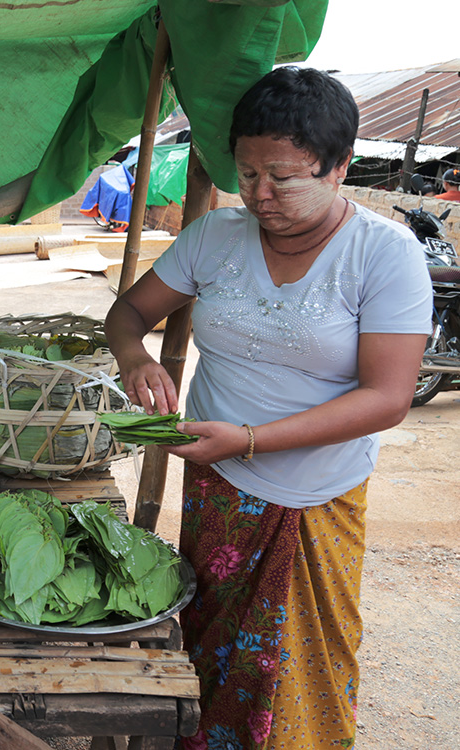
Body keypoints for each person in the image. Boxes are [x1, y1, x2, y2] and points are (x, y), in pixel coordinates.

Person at [104, 67, 431, 749]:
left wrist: (248, 438)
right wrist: (134, 358)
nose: (260, 194)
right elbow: (128, 312)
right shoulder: (213, 236)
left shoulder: (381, 253)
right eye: (247, 174)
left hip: (314, 494)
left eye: (282, 177)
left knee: (293, 663)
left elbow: (387, 397)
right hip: (217, 479)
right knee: (215, 634)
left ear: (338, 166)